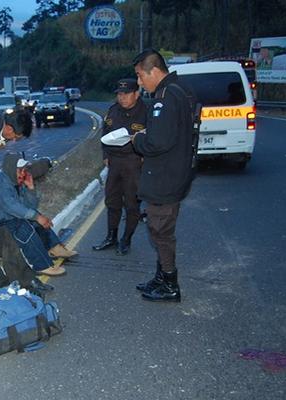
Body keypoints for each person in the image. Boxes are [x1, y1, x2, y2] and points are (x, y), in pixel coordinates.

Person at [131, 49, 196, 303]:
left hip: (165, 177)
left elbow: (157, 141)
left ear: (154, 71)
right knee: (160, 229)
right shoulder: (177, 90)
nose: (139, 82)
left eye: (139, 76)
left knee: (160, 231)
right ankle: (161, 277)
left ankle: (170, 283)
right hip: (174, 174)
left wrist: (138, 139)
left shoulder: (165, 97)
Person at [0, 153, 76, 277]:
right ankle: (41, 265)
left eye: (24, 170)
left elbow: (30, 207)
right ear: (11, 168)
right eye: (20, 170)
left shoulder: (16, 180)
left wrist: (30, 188)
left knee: (35, 217)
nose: (23, 173)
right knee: (23, 226)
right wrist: (37, 217)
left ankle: (54, 247)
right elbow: (11, 207)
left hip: (10, 216)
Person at [93, 78, 147, 255]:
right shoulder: (113, 111)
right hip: (114, 162)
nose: (122, 98)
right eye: (119, 94)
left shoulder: (146, 111)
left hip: (134, 162)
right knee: (112, 201)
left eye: (126, 94)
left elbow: (154, 140)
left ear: (136, 94)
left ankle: (126, 239)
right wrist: (105, 156)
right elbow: (105, 134)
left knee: (131, 204)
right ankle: (111, 237)